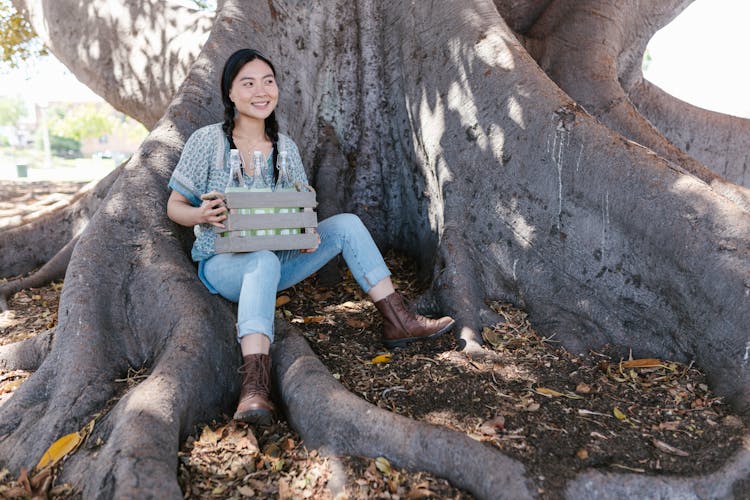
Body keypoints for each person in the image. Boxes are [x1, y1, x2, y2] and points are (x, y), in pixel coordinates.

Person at [167, 48, 455, 426]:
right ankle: (254, 386)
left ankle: (398, 318)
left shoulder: (285, 149)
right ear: (230, 94)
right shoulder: (207, 142)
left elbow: (299, 209)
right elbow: (175, 206)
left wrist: (306, 235)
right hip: (224, 265)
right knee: (262, 260)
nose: (261, 91)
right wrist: (200, 214)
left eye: (268, 82)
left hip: (277, 262)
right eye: (248, 83)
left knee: (347, 224)